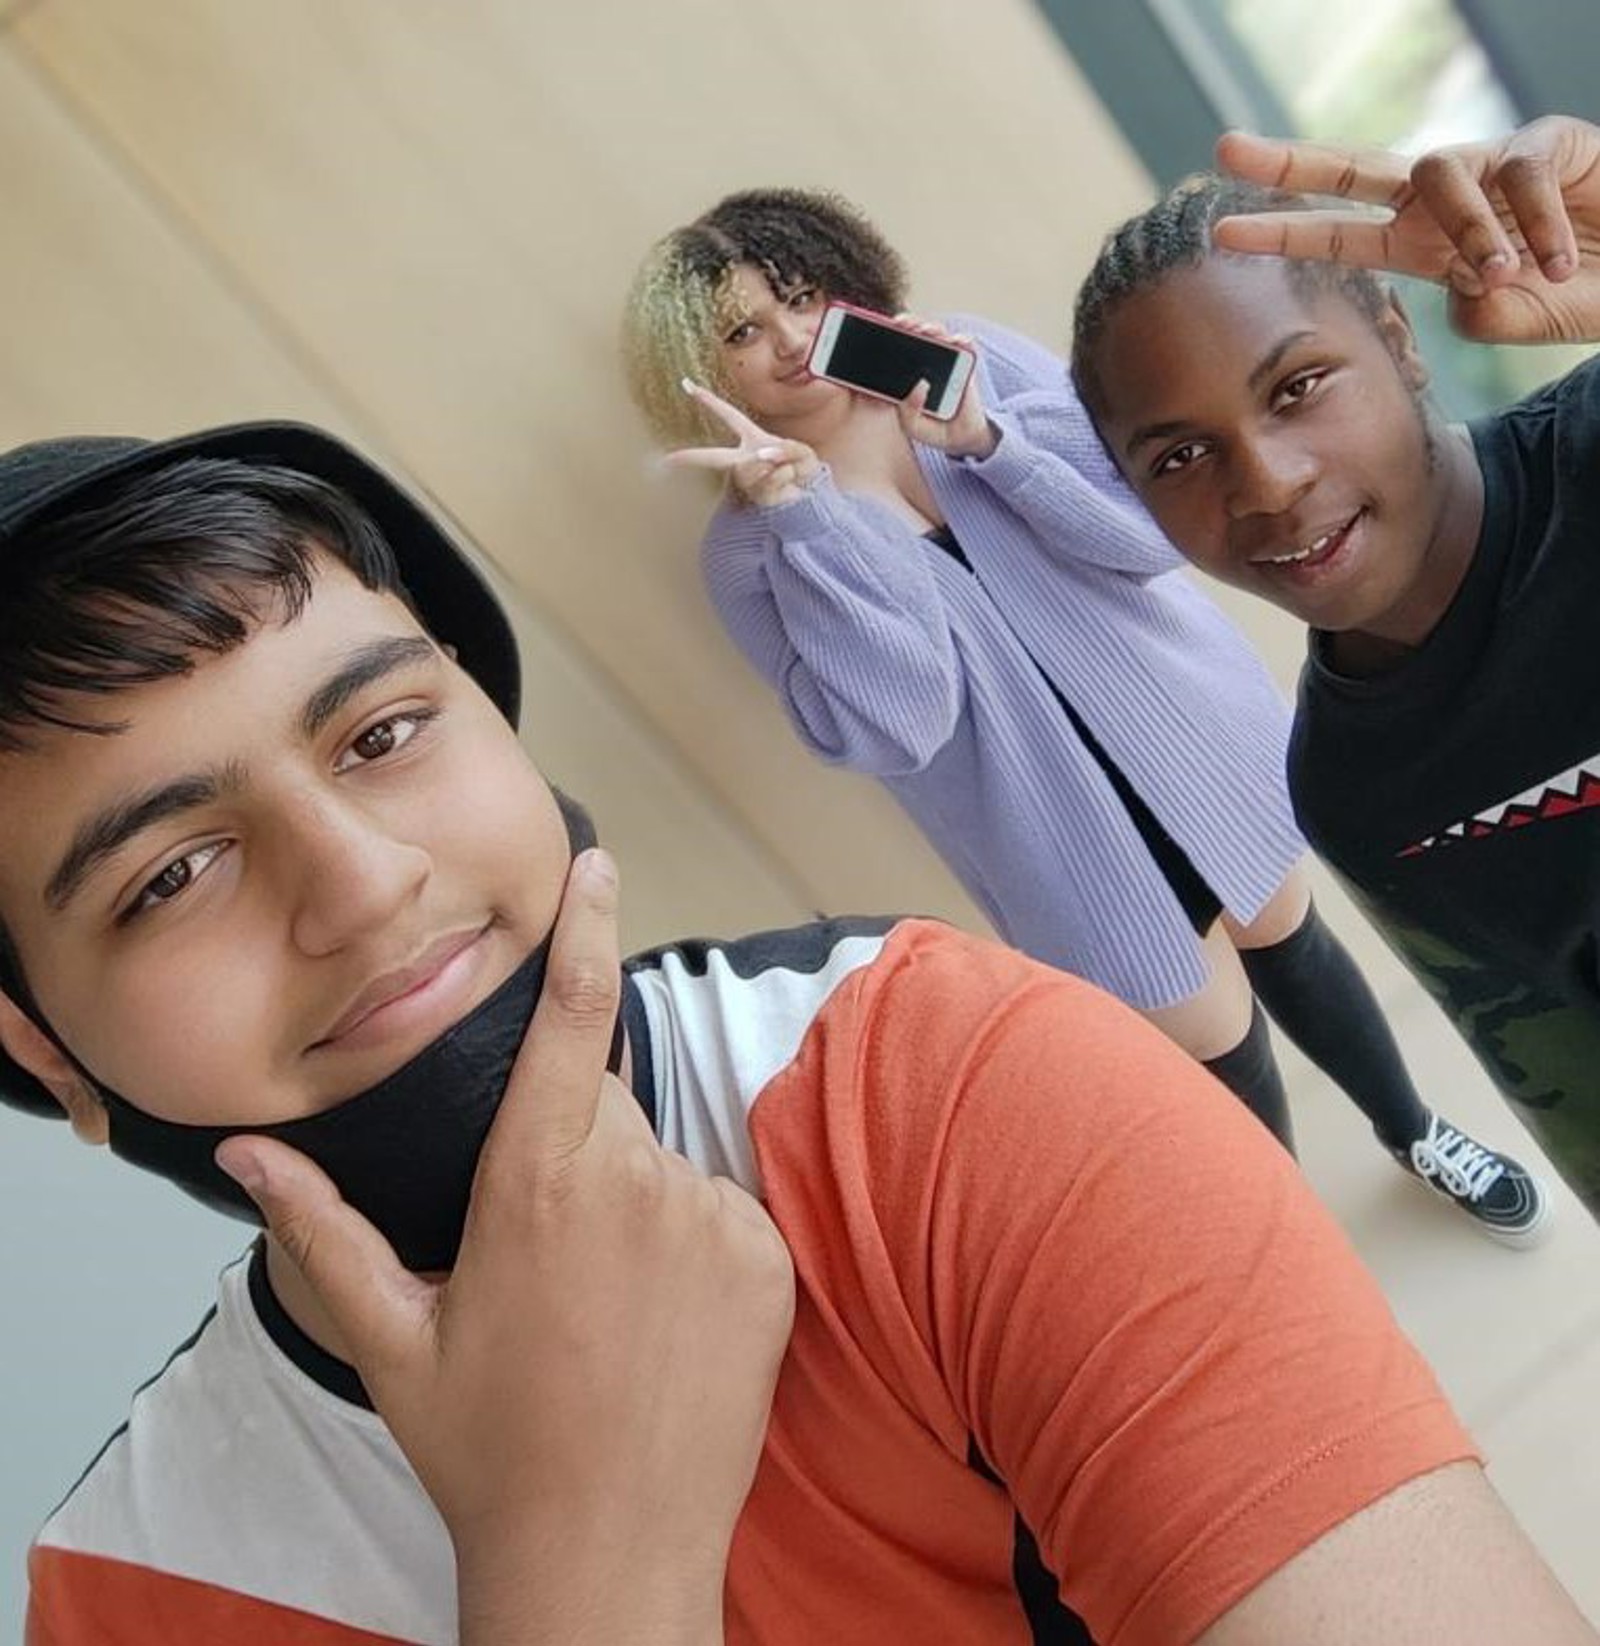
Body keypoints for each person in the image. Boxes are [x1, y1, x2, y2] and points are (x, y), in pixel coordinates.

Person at [2, 424, 1593, 1646]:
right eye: (169, 874)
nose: (361, 883)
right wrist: (587, 1556)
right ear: (47, 1050)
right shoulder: (144, 1583)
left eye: (386, 731)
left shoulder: (941, 1085)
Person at [619, 185, 1548, 1243]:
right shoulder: (749, 551)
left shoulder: (968, 360)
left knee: (1294, 944)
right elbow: (899, 722)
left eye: (800, 294)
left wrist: (984, 441)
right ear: (694, 369)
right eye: (743, 329)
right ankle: (1301, 1273)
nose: (791, 338)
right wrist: (812, 521)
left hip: (1194, 744)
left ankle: (1413, 1127)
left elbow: (1146, 538)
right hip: (1059, 838)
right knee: (1221, 1066)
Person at [1069, 113, 1600, 1223]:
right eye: (1178, 455)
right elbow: (1561, 1072)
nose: (1262, 483)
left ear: (1399, 344)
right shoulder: (1355, 790)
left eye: (1298, 385)